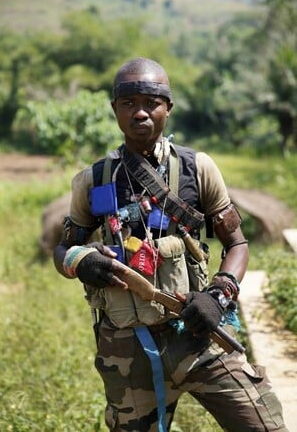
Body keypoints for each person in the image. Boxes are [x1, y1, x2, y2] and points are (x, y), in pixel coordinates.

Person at [53, 57, 287, 431]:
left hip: (198, 338)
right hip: (127, 351)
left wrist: (219, 295)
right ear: (115, 110)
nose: (140, 113)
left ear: (168, 108)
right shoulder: (93, 180)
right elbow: (63, 249)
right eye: (129, 104)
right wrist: (80, 261)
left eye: (151, 103)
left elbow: (237, 245)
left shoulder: (199, 169)